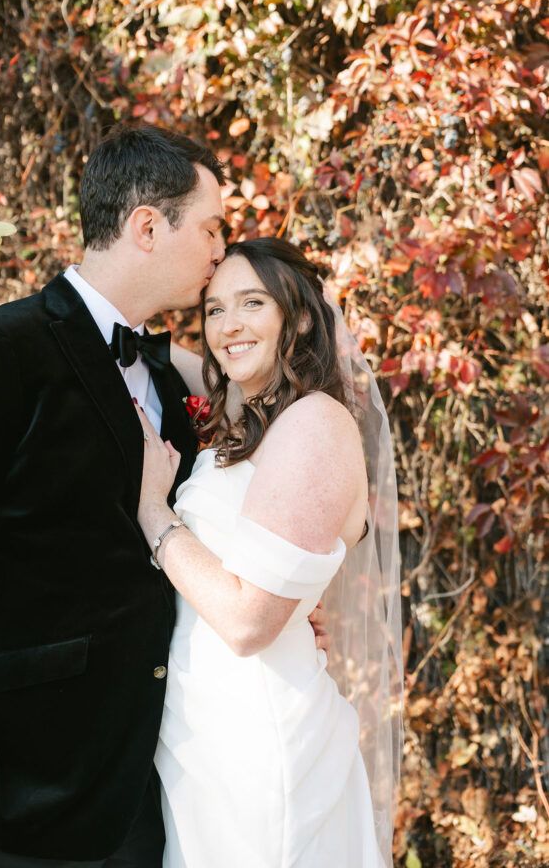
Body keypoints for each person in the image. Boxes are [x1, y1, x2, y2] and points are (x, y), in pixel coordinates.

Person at [0, 126, 331, 868]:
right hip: (7, 804)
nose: (220, 249)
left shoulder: (172, 376)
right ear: (148, 226)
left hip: (144, 797)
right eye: (211, 228)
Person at [134, 237, 403, 868]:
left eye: (252, 303)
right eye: (215, 309)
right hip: (200, 732)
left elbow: (249, 620)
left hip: (258, 736)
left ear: (300, 317)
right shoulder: (251, 411)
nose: (229, 326)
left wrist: (153, 511)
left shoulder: (315, 425)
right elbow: (170, 355)